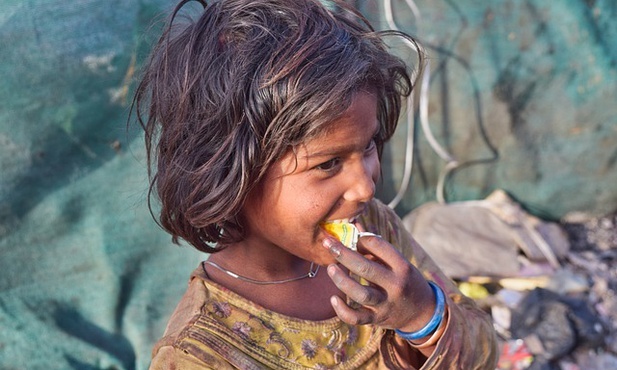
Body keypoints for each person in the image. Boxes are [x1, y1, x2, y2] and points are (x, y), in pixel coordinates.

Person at [133, 0, 499, 368]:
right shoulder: (198, 355)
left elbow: (485, 352)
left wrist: (422, 316)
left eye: (368, 145)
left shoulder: (376, 231)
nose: (365, 189)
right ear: (230, 174)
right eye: (328, 164)